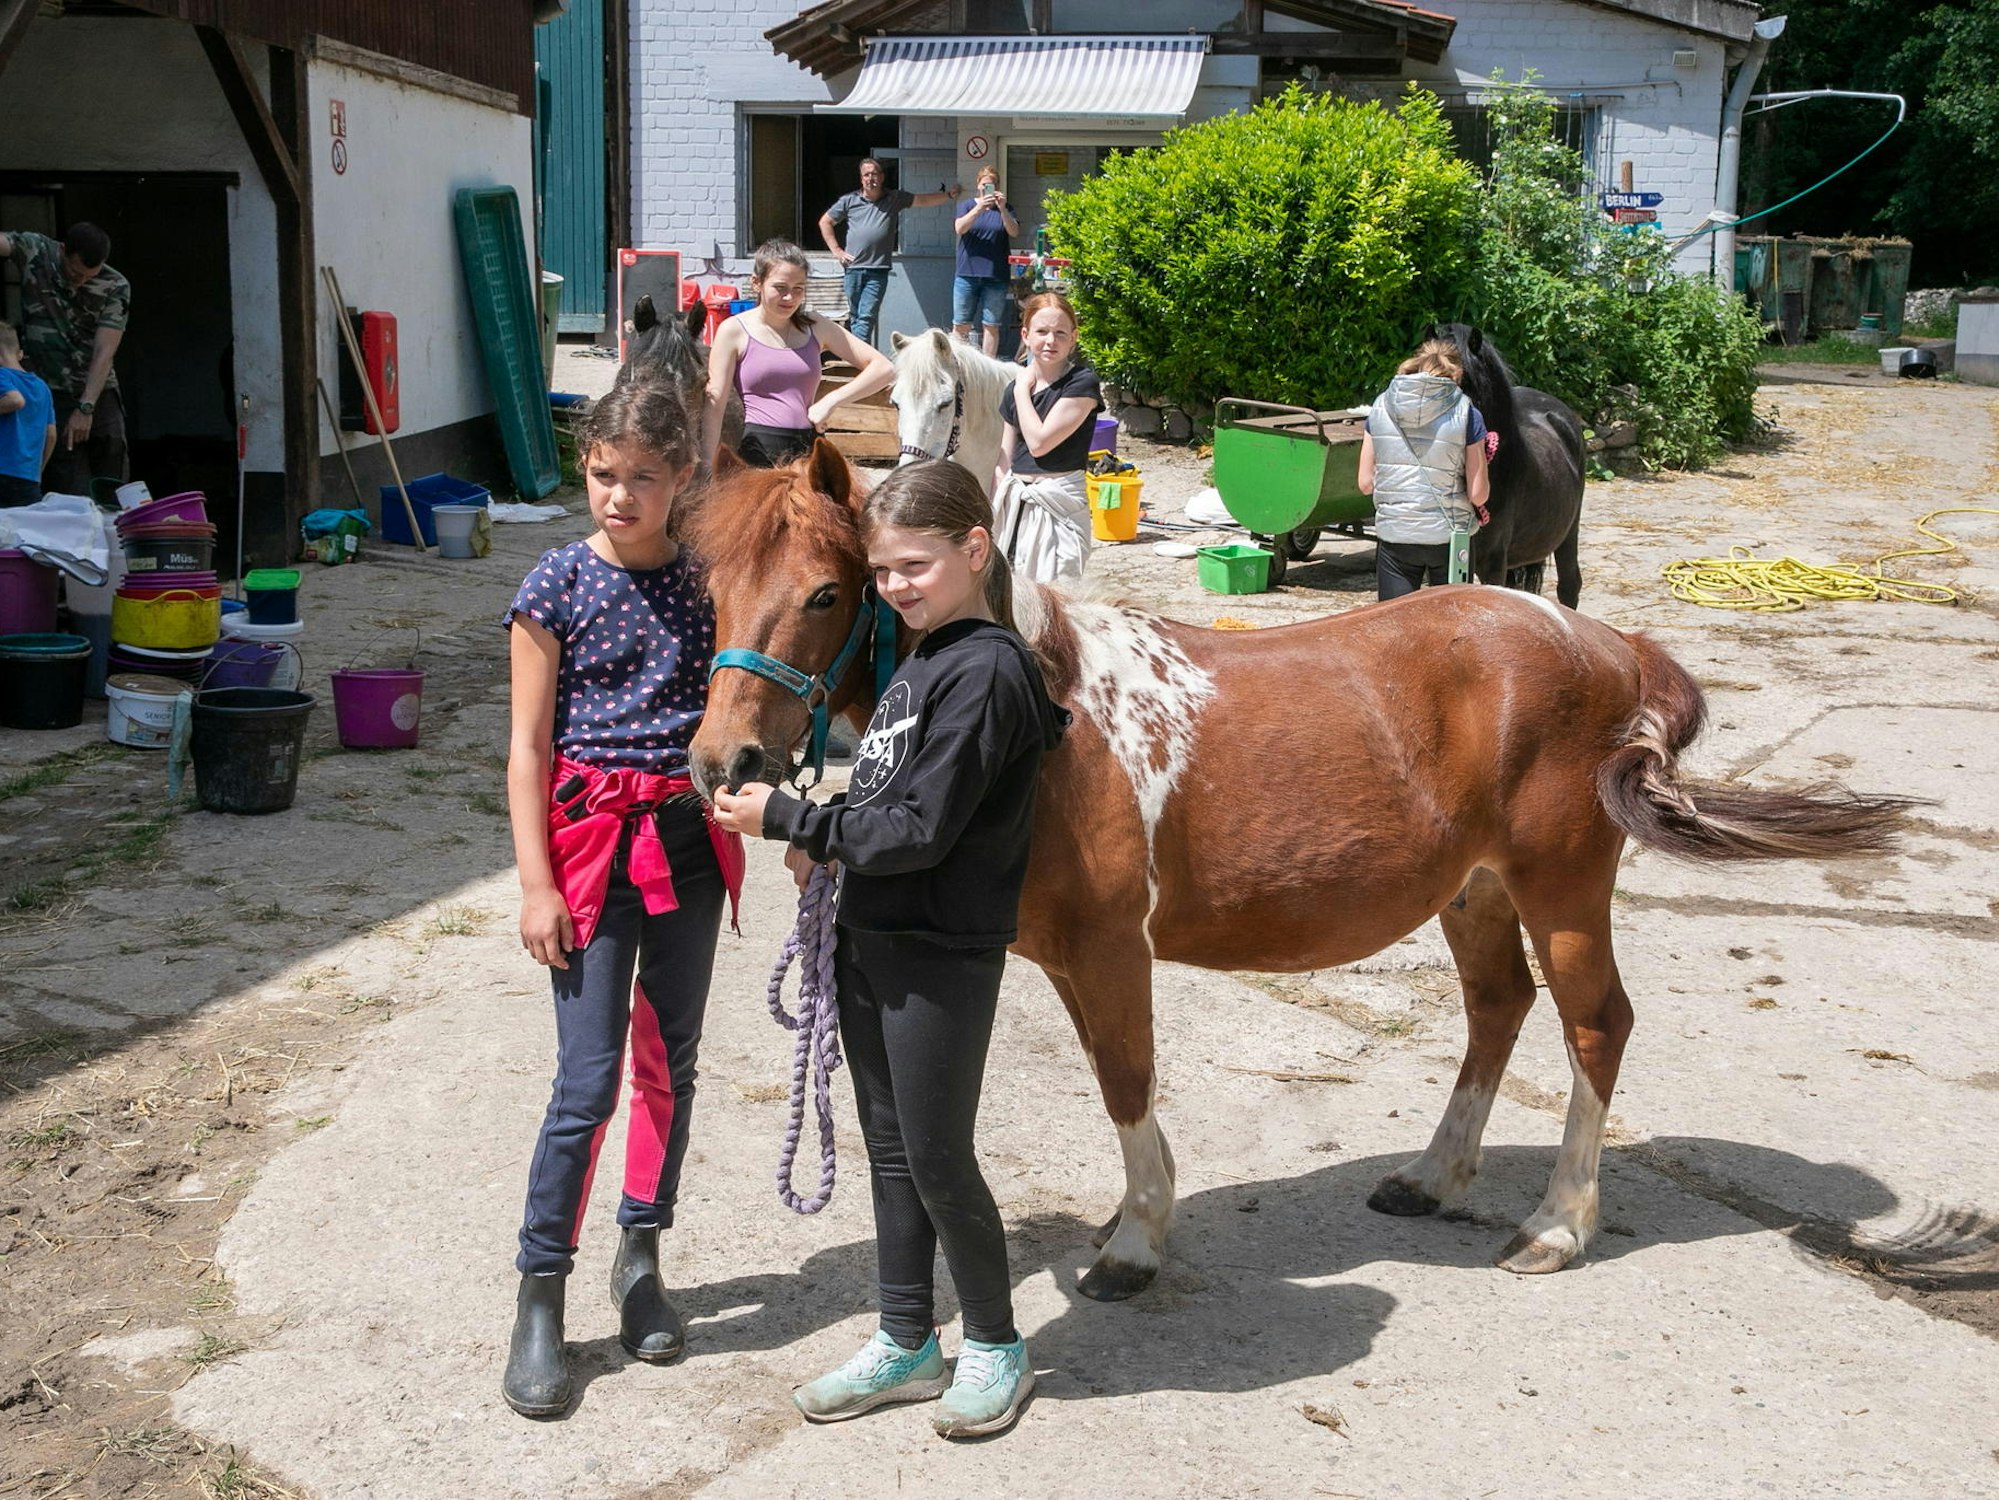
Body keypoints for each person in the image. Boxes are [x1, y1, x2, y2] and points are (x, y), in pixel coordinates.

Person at [712, 459, 1067, 1441]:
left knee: (939, 1156)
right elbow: (889, 793)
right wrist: (829, 837)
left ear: (974, 549)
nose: (898, 585)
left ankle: (995, 1343)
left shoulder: (986, 669)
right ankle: (907, 1339)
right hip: (874, 932)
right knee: (893, 1150)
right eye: (883, 571)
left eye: (917, 564)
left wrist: (793, 820)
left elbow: (922, 830)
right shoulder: (920, 660)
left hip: (939, 949)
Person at [500, 380, 746, 1418]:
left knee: (667, 1063)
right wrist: (536, 886)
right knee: (586, 1081)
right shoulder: (553, 584)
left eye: (644, 477)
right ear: (585, 469)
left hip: (686, 848)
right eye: (604, 475)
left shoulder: (709, 583)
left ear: (681, 476)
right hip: (591, 854)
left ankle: (641, 1255)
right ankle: (540, 1293)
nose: (620, 496)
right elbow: (526, 748)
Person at [703, 239, 894, 470]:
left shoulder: (816, 326)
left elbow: (883, 368)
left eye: (798, 289)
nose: (789, 298)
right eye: (780, 288)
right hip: (755, 454)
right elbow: (715, 403)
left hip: (809, 451)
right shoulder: (733, 330)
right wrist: (708, 465)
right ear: (756, 283)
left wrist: (831, 401)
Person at [1356, 339, 1491, 600]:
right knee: (1451, 621)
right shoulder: (1467, 412)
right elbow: (1478, 495)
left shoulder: (1380, 406)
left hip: (1396, 535)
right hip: (1449, 539)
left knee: (1397, 621)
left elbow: (1365, 483)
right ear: (1456, 374)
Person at [0, 223, 129, 494]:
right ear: (62, 251)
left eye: (89, 276)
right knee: (67, 483)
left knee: (113, 478)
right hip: (52, 391)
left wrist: (86, 407)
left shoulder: (115, 285)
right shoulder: (36, 250)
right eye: (75, 272)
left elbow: (104, 351)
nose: (80, 281)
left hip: (98, 390)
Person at [990, 293, 1102, 585]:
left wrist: (1021, 391)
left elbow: (1040, 443)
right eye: (1042, 331)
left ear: (1073, 338)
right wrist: (994, 509)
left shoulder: (1082, 383)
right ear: (1026, 335)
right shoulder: (1015, 390)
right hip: (1017, 505)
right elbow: (1004, 460)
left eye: (1060, 333)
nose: (1051, 340)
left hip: (1059, 505)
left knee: (1056, 595)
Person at [818, 158, 961, 349]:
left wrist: (948, 195)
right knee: (856, 316)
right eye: (866, 175)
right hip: (852, 269)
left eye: (874, 174)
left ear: (882, 177)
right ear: (861, 179)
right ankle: (860, 356)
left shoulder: (894, 198)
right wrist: (837, 251)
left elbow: (923, 200)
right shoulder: (849, 201)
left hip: (877, 270)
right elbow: (825, 222)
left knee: (866, 316)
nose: (870, 178)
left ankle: (859, 357)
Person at [951, 168, 1017, 357]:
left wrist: (1002, 209)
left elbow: (1014, 232)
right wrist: (979, 208)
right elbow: (960, 228)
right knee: (961, 324)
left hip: (996, 276)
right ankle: (959, 364)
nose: (987, 188)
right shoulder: (966, 205)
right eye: (984, 185)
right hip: (967, 274)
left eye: (991, 185)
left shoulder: (1006, 208)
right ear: (978, 185)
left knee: (991, 325)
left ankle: (988, 366)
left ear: (997, 187)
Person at [0, 322, 56, 509]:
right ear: (20, 354)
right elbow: (51, 435)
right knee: (26, 525)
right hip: (28, 479)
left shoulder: (2, 375)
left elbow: (15, 401)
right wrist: (37, 472)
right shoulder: (42, 387)